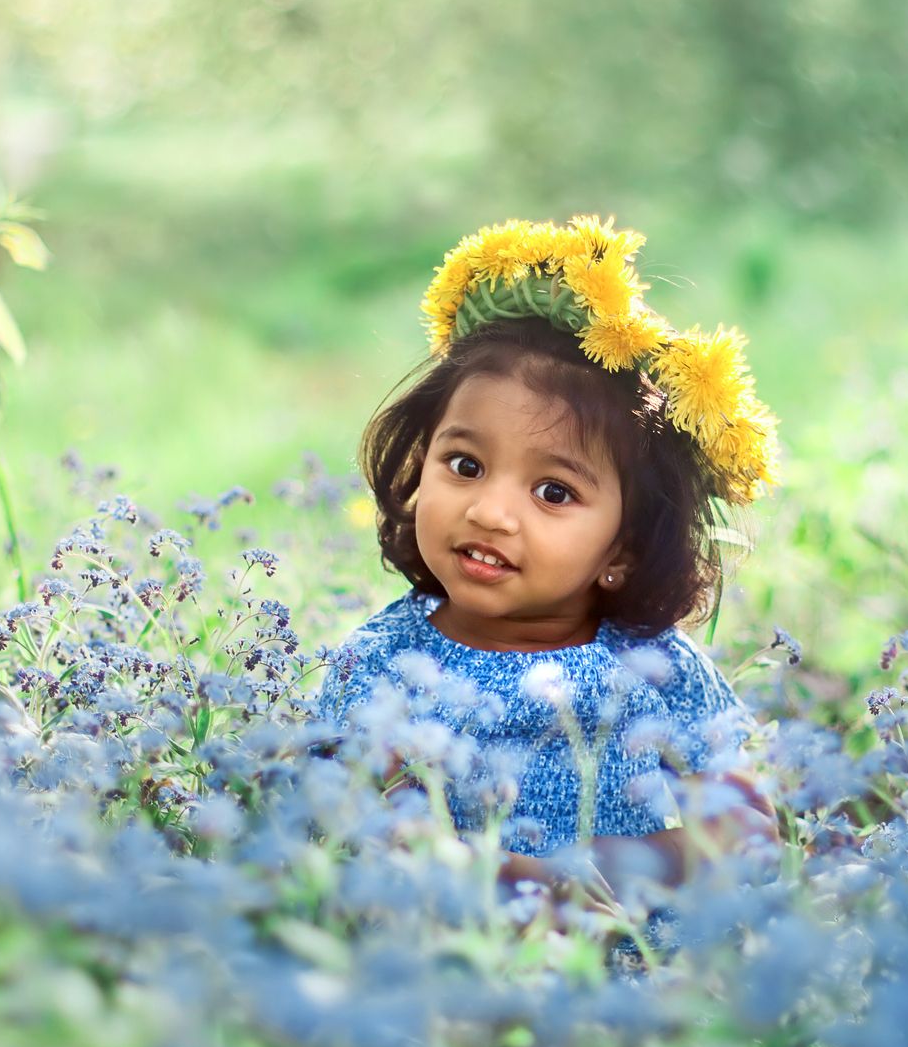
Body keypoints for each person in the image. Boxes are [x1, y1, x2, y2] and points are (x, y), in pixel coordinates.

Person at [319, 217, 783, 917]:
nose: (491, 513)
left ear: (622, 549)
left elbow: (750, 832)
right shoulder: (384, 663)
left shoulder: (652, 666)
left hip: (634, 980)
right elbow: (339, 832)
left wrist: (557, 875)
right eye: (465, 466)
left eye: (553, 492)